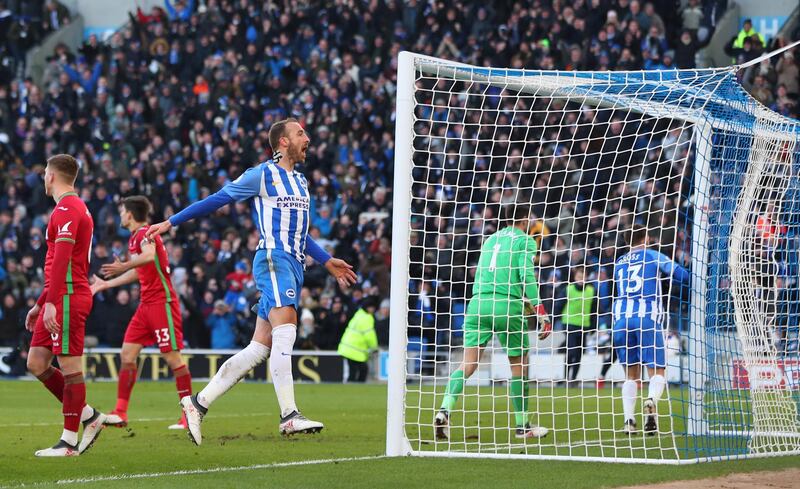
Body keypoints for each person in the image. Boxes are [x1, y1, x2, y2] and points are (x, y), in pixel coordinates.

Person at [146, 118, 357, 444]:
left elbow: (300, 235)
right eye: (300, 133)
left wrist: (327, 260)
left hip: (294, 264)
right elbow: (217, 199)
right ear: (283, 142)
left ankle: (197, 404)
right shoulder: (262, 174)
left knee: (260, 348)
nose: (308, 138)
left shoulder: (301, 182)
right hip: (273, 260)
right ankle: (289, 416)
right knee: (287, 326)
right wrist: (171, 222)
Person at [434, 203, 552, 441]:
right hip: (506, 306)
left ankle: (444, 410)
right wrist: (540, 310)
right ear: (525, 219)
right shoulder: (526, 240)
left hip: (478, 304)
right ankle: (522, 426)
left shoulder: (490, 240)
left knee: (467, 364)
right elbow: (525, 275)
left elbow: (486, 274)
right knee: (519, 365)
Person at [24, 154, 106, 456]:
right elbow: (56, 264)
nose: (44, 177)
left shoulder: (70, 208)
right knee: (36, 362)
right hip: (58, 295)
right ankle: (88, 416)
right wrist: (40, 303)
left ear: (52, 176)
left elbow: (61, 261)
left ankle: (69, 441)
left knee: (70, 367)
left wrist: (51, 304)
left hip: (69, 295)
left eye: (45, 172)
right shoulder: (66, 208)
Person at [89, 196, 192, 430]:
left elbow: (148, 256)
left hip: (161, 303)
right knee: (127, 355)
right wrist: (107, 284)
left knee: (173, 358)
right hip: (146, 305)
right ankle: (120, 412)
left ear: (130, 214)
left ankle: (188, 414)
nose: (120, 216)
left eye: (122, 211)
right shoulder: (135, 237)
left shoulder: (145, 233)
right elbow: (139, 272)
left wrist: (124, 265)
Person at [612, 226, 689, 435]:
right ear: (645, 238)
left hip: (620, 320)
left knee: (631, 375)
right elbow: (680, 275)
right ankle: (651, 401)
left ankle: (629, 420)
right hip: (647, 317)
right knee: (657, 370)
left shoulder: (618, 263)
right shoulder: (653, 255)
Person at [558, 265, 597, 386]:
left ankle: (573, 379)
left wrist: (593, 326)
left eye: (583, 277)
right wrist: (554, 319)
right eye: (579, 276)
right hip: (569, 323)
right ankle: (566, 377)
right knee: (572, 351)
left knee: (579, 353)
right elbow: (558, 305)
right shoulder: (568, 289)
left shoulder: (591, 291)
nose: (581, 279)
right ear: (575, 277)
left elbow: (594, 310)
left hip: (583, 325)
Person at [338, 296, 379, 382]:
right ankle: (356, 389)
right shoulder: (367, 318)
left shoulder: (359, 314)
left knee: (355, 371)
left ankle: (352, 388)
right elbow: (369, 335)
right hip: (354, 350)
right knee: (362, 370)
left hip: (348, 348)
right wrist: (374, 347)